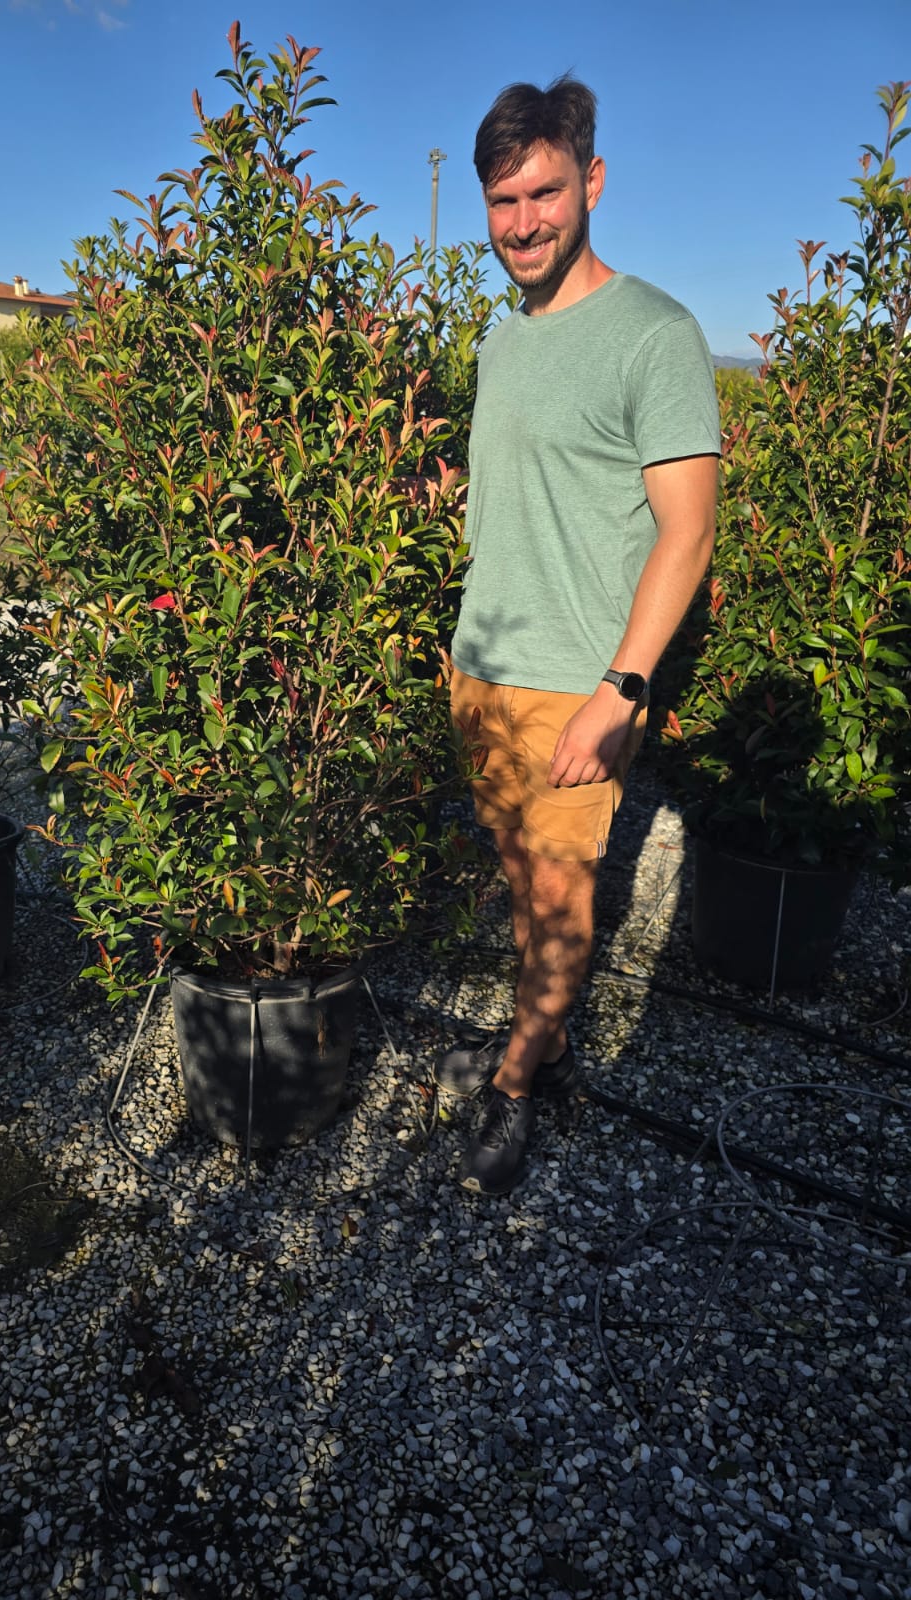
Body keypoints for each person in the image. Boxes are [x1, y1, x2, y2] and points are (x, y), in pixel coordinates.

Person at [437, 76, 721, 1196]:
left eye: (544, 193)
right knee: (521, 889)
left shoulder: (655, 335)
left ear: (590, 182)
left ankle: (514, 1090)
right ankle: (537, 1039)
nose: (523, 223)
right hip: (483, 672)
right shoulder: (502, 342)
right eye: (503, 202)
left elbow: (687, 534)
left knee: (559, 911)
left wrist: (620, 689)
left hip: (576, 690)